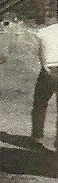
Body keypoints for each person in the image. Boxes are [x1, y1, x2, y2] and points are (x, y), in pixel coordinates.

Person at [30, 21, 58, 151]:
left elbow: (41, 52)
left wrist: (44, 66)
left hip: (49, 67)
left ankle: (37, 136)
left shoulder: (44, 31)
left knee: (40, 104)